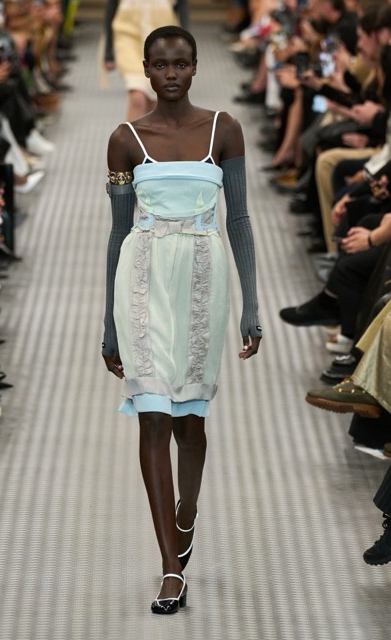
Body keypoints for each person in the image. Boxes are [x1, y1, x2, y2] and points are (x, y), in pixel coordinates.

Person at [102, 25, 262, 614]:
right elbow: (118, 233)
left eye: (181, 64)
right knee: (152, 415)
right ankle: (171, 569)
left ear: (195, 67)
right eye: (160, 65)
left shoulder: (225, 129)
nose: (170, 74)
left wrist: (250, 305)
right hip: (141, 276)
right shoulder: (124, 139)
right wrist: (108, 323)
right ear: (146, 69)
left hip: (202, 277)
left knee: (189, 422)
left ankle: (185, 513)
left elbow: (238, 219)